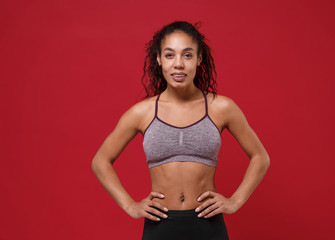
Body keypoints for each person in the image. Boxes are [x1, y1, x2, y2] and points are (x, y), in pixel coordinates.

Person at [91, 21, 270, 240]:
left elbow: (260, 156)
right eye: (169, 55)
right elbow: (101, 160)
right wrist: (130, 205)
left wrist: (235, 201)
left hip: (208, 226)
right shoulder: (142, 112)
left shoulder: (222, 108)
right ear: (158, 59)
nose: (178, 64)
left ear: (199, 59)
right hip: (160, 227)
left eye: (187, 55)